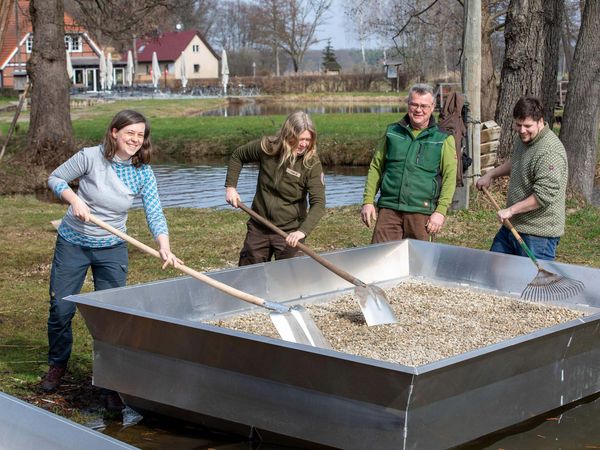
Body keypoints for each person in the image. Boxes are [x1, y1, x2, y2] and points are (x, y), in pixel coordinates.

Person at [41, 110, 181, 410]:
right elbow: (55, 178)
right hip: (73, 242)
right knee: (61, 308)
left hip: (112, 246)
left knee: (111, 317)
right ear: (115, 132)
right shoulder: (90, 157)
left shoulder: (142, 171)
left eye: (140, 135)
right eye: (130, 133)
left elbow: (154, 211)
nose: (135, 139)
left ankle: (109, 381)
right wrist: (74, 199)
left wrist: (164, 246)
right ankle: (57, 365)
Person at [225, 111, 325, 265]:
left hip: (289, 231)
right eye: (300, 139)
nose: (304, 144)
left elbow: (318, 204)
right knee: (250, 273)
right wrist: (231, 187)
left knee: (291, 277)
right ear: (288, 135)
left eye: (307, 140)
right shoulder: (267, 147)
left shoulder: (311, 164)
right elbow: (238, 156)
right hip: (259, 225)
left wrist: (301, 232)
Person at [361, 83, 457, 242]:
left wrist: (440, 212)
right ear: (408, 105)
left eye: (424, 106)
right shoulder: (392, 132)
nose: (419, 110)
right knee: (380, 257)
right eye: (414, 104)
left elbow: (450, 177)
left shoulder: (443, 139)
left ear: (432, 107)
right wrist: (368, 201)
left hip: (421, 211)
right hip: (389, 208)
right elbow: (376, 167)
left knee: (419, 262)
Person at [476, 96, 567, 260]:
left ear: (540, 121)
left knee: (532, 283)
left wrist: (510, 210)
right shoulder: (523, 139)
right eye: (518, 125)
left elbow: (542, 196)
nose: (522, 130)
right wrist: (491, 174)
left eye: (527, 126)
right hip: (512, 227)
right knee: (493, 270)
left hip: (538, 234)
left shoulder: (550, 152)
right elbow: (517, 162)